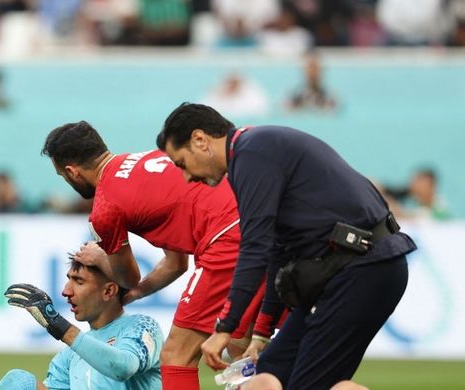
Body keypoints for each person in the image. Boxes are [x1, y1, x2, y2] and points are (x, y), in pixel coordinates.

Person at [157, 103, 416, 390]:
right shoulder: (254, 151)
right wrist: (262, 334)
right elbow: (277, 251)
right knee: (267, 376)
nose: (187, 177)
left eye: (181, 163)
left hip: (362, 270)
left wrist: (225, 328)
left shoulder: (252, 155)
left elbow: (255, 247)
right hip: (354, 268)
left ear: (200, 140)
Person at [42, 121, 276, 390]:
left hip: (225, 238)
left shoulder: (106, 207)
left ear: (72, 172)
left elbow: (127, 277)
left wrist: (100, 256)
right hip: (259, 223)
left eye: (62, 176)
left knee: (177, 355)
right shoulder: (149, 159)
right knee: (239, 348)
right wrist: (139, 293)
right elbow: (176, 264)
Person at [0, 259, 164, 390]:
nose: (66, 291)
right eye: (69, 280)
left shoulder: (142, 326)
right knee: (18, 381)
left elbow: (123, 367)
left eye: (79, 281)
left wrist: (58, 325)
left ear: (108, 291)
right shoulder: (69, 355)